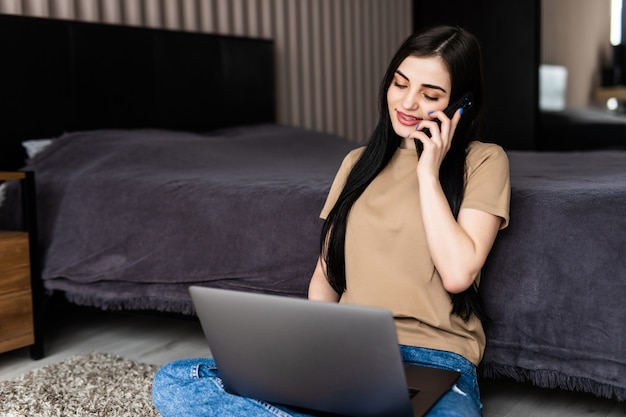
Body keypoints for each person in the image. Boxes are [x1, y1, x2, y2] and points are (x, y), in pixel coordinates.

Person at [152, 24, 510, 417]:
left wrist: (428, 174)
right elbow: (325, 275)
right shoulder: (357, 164)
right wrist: (316, 358)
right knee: (176, 380)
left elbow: (458, 274)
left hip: (437, 361)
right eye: (399, 83)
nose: (407, 103)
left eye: (429, 95)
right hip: (350, 356)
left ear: (462, 105)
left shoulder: (484, 161)